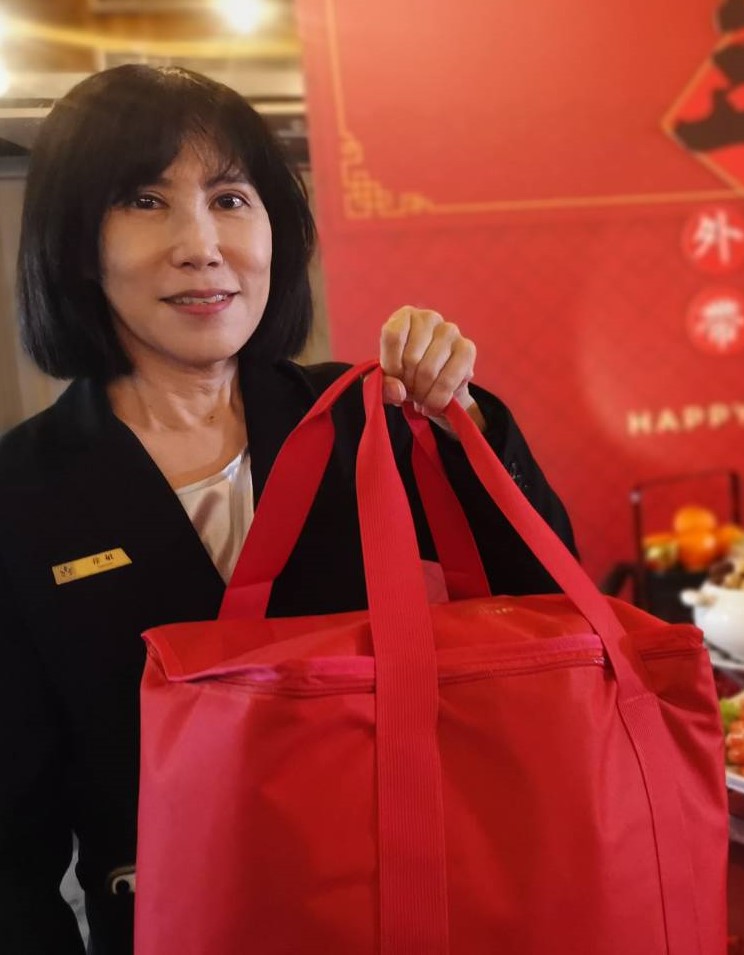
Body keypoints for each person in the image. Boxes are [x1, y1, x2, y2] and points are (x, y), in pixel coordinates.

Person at [0, 65, 575, 955]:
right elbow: (13, 849)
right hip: (173, 924)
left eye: (230, 199)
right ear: (75, 243)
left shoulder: (360, 422)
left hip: (403, 903)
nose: (201, 245)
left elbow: (549, 603)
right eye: (145, 201)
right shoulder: (24, 493)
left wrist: (467, 421)